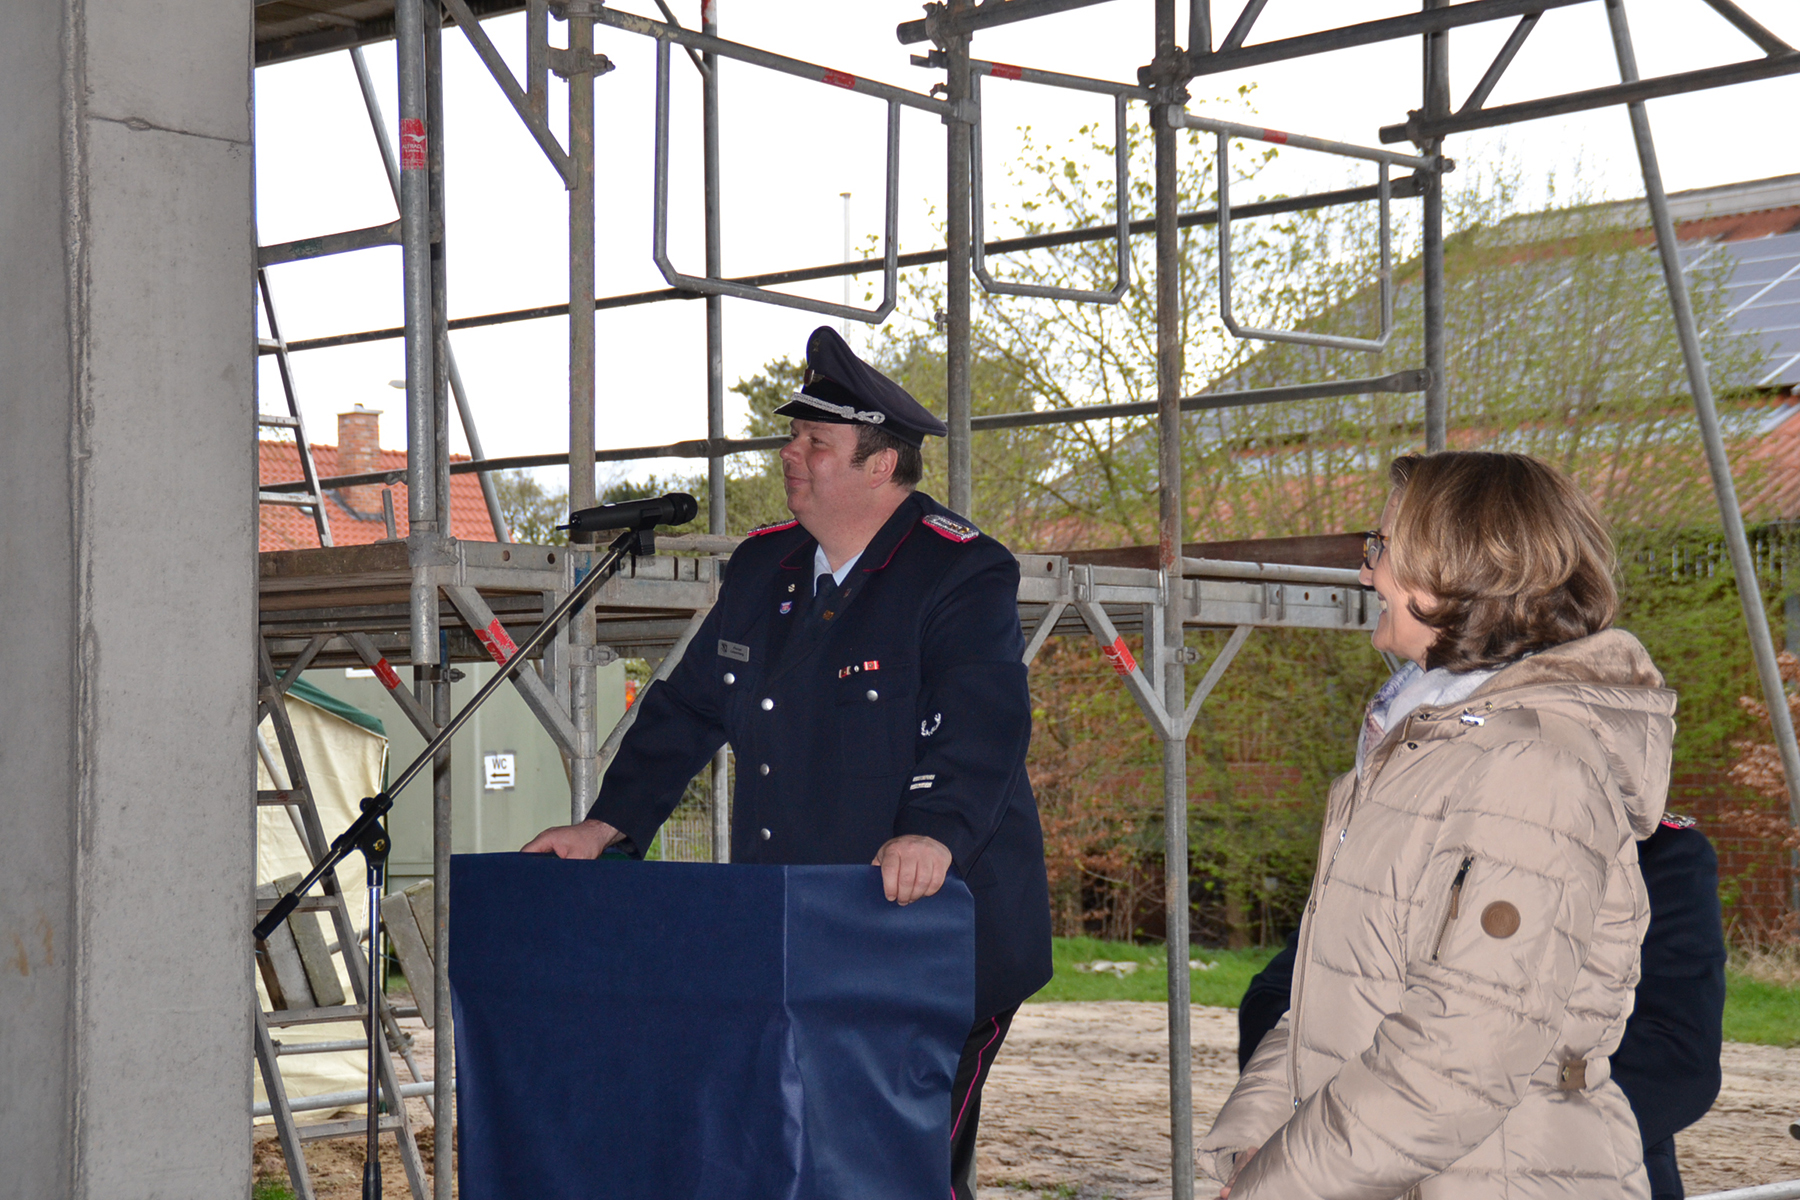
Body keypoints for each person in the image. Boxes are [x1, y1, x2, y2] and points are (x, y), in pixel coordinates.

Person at [523, 326, 1053, 1200]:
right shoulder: (765, 565)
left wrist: (933, 830)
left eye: (816, 442)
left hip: (931, 932)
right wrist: (610, 823)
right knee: (798, 1159)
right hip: (799, 932)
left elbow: (981, 725)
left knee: (903, 1171)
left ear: (882, 465)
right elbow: (689, 709)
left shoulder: (959, 570)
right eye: (792, 437)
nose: (790, 455)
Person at [1199, 451, 1678, 1200]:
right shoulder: (1423, 747)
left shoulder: (1532, 768)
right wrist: (1256, 1137)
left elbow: (1462, 1055)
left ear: (1459, 570)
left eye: (1383, 548)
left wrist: (1282, 1181)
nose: (1368, 575)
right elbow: (1336, 991)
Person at [1235, 812, 1727, 1199]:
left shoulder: (1654, 853)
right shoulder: (1404, 832)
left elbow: (1677, 1058)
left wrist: (1447, 1133)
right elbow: (1279, 998)